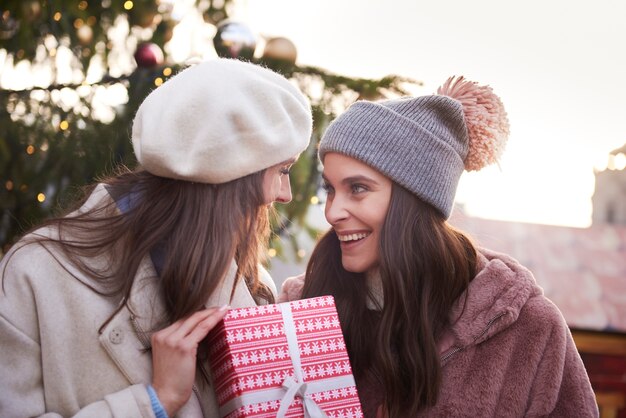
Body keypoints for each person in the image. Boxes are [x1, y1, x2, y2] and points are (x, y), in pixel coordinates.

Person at [0, 58, 312, 417]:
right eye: (282, 169)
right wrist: (155, 401)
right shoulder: (36, 274)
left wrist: (286, 343)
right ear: (231, 171)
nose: (285, 193)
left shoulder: (251, 281)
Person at [279, 76, 598, 417]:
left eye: (357, 188)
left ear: (414, 201)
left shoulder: (527, 329)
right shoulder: (299, 312)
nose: (332, 212)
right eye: (330, 189)